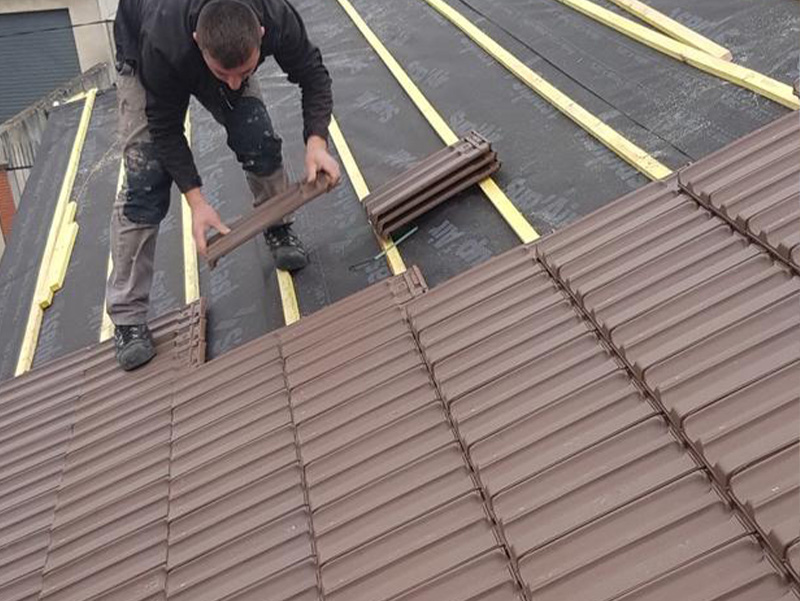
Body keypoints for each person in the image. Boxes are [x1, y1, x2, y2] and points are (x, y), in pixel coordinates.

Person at [109, 0, 340, 370]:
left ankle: (277, 226)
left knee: (256, 134)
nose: (234, 83)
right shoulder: (163, 39)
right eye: (223, 73)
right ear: (199, 40)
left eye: (245, 70)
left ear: (261, 35)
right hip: (145, 54)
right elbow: (165, 129)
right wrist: (197, 201)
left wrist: (317, 142)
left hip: (204, 43)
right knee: (145, 180)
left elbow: (313, 74)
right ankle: (127, 315)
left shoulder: (276, 16)